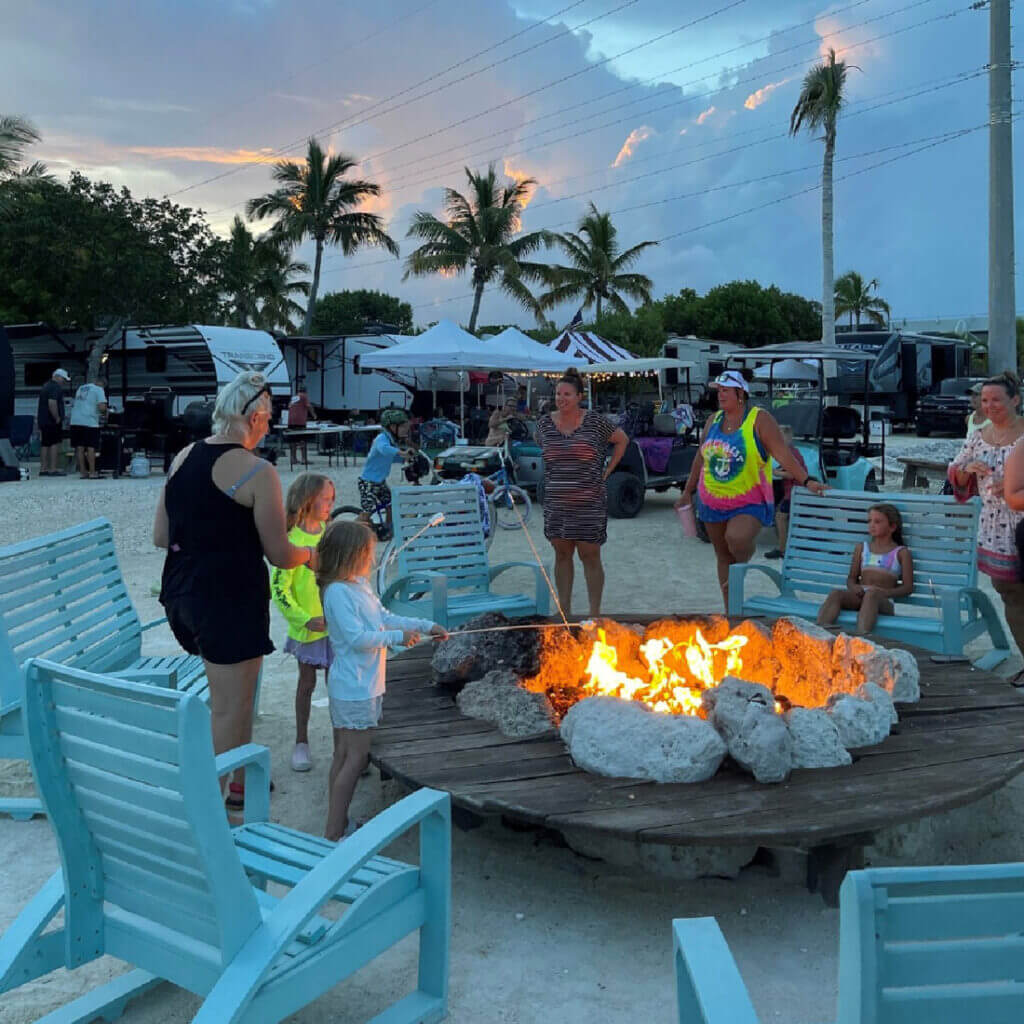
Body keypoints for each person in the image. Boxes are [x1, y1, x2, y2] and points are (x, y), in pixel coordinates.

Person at [153, 371, 319, 815]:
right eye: (267, 421)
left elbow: (159, 535)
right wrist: (310, 557)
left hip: (181, 594)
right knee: (230, 706)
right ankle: (209, 809)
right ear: (256, 418)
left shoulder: (183, 456)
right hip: (228, 600)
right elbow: (280, 553)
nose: (268, 429)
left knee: (233, 697)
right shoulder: (258, 472)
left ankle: (240, 780)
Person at [317, 519, 446, 840]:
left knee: (346, 756)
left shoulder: (358, 584)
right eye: (367, 553)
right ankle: (334, 831)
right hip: (353, 688)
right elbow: (357, 638)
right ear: (349, 556)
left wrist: (426, 625)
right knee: (354, 757)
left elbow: (384, 616)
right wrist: (398, 637)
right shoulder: (336, 592)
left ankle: (337, 823)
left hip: (364, 685)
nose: (371, 560)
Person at [676, 370, 827, 610]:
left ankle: (745, 559)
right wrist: (687, 491)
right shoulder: (713, 420)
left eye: (726, 390)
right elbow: (700, 457)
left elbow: (783, 454)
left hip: (750, 500)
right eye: (719, 390)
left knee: (736, 539)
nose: (720, 394)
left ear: (741, 394)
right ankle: (731, 611)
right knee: (722, 555)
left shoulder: (759, 419)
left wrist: (807, 480)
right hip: (712, 499)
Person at [535, 367, 629, 617]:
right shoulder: (544, 424)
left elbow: (622, 440)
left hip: (589, 502)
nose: (561, 399)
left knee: (590, 555)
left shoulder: (595, 422)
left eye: (567, 394)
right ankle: (563, 609)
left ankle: (594, 613)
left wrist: (607, 471)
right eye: (558, 394)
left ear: (579, 397)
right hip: (557, 503)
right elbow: (542, 446)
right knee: (562, 554)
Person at [949, 371, 1024, 684]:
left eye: (997, 400)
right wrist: (968, 469)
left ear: (1016, 400)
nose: (990, 406)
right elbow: (955, 469)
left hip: (1023, 522)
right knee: (1010, 595)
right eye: (985, 400)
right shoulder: (979, 435)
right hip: (994, 528)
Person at [271, 473, 336, 773]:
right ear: (309, 500)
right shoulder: (291, 541)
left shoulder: (332, 534)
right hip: (307, 630)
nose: (330, 505)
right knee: (306, 685)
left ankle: (343, 744)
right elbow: (279, 589)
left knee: (337, 686)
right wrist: (304, 619)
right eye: (326, 499)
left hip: (336, 627)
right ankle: (301, 741)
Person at [816, 504, 914, 635]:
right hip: (861, 596)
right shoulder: (862, 548)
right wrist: (854, 587)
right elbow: (852, 578)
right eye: (869, 521)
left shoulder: (901, 552)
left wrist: (885, 592)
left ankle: (861, 636)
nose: (872, 525)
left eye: (877, 521)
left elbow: (908, 588)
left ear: (892, 527)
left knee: (872, 594)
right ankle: (820, 632)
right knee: (836, 593)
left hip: (883, 600)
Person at [358, 408, 411, 531]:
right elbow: (384, 449)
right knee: (367, 513)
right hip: (368, 482)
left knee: (391, 505)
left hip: (380, 482)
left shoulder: (392, 440)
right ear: (392, 427)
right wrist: (401, 453)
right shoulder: (382, 438)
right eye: (403, 427)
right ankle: (347, 532)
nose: (405, 430)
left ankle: (388, 529)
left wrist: (408, 457)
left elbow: (392, 456)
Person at [764, 424, 807, 559]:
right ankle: (786, 547)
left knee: (780, 517)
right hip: (795, 491)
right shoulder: (791, 451)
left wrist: (776, 472)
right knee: (783, 516)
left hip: (796, 492)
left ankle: (783, 550)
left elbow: (792, 474)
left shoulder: (790, 453)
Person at [69, 373, 108, 479]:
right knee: (91, 447)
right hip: (89, 421)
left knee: (80, 447)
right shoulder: (99, 390)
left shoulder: (81, 388)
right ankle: (92, 472)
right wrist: (105, 412)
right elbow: (102, 407)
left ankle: (83, 472)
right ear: (102, 384)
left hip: (75, 421)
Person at [37, 368, 70, 476]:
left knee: (45, 444)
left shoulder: (45, 386)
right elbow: (52, 403)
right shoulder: (56, 387)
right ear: (57, 377)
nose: (64, 382)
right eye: (63, 379)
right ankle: (53, 468)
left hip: (43, 420)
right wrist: (57, 417)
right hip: (52, 421)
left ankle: (43, 468)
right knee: (54, 443)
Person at [287, 386, 317, 467]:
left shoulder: (294, 397)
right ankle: (304, 459)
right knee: (302, 440)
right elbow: (308, 406)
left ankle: (293, 459)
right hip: (300, 421)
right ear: (305, 391)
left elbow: (289, 406)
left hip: (291, 421)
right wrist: (314, 414)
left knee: (293, 440)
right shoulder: (304, 396)